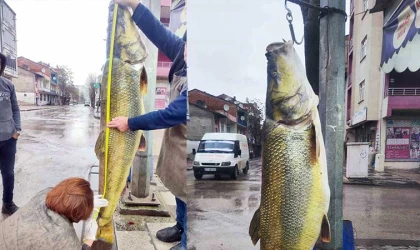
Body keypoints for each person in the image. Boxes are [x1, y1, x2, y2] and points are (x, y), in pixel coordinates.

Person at [108, 1, 187, 249]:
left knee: (188, 191)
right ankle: (182, 226)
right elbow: (158, 32)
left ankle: (188, 241)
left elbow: (170, 114)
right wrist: (134, 5)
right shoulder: (183, 52)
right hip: (177, 140)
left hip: (190, 145)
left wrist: (130, 123)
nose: (185, 49)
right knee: (178, 188)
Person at [0, 177, 109, 250]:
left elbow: (67, 193)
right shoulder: (64, 239)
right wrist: (90, 239)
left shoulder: (44, 195)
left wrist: (84, 201)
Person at [0, 52, 21, 215]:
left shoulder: (8, 85)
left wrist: (17, 130)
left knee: (8, 174)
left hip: (8, 138)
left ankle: (7, 204)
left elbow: (15, 109)